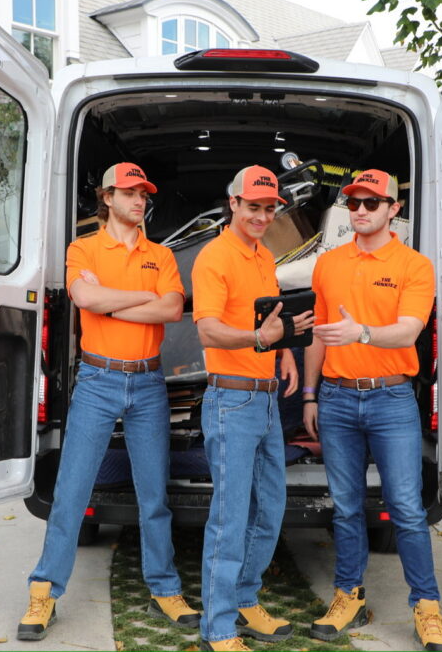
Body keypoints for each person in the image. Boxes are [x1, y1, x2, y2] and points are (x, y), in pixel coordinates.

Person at [17, 162, 200, 641]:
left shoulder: (159, 254)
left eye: (144, 193)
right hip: (98, 381)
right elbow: (82, 297)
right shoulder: (83, 248)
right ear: (108, 197)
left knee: (154, 493)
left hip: (147, 382)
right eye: (130, 192)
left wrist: (111, 300)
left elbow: (173, 308)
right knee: (72, 491)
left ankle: (164, 587)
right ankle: (44, 591)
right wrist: (138, 300)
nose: (139, 200)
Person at [302, 169, 442, 651]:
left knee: (406, 508)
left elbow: (409, 332)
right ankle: (349, 596)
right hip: (337, 398)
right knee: (346, 509)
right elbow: (319, 337)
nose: (361, 210)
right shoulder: (327, 264)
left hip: (390, 397)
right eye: (354, 203)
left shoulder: (415, 266)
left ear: (394, 209)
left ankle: (426, 607)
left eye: (372, 202)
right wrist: (309, 394)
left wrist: (361, 333)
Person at [191, 165, 315, 652]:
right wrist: (259, 338)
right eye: (254, 207)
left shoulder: (265, 256)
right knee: (230, 515)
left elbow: (271, 314)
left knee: (272, 507)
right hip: (232, 399)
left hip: (265, 398)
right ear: (234, 205)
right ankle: (218, 628)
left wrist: (283, 350)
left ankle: (245, 597)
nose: (263, 216)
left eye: (270, 208)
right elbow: (209, 331)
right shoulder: (213, 257)